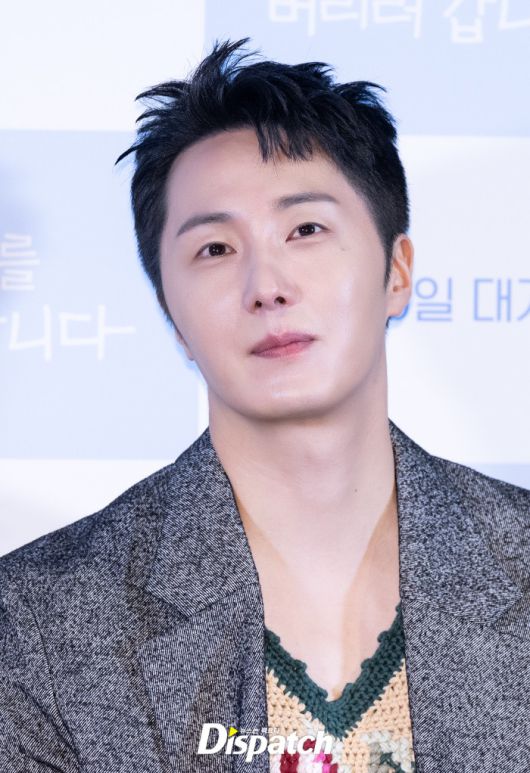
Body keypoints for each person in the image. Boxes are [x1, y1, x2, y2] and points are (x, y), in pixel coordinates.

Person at [1, 38, 529, 773]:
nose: (267, 286)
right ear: (170, 314)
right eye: (215, 249)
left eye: (305, 229)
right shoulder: (37, 624)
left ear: (397, 271)